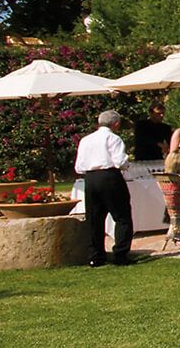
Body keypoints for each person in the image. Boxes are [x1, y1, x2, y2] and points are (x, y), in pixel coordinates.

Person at [75, 109, 133, 267]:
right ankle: (120, 254)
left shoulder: (86, 140)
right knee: (122, 216)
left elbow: (79, 166)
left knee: (95, 219)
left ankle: (96, 256)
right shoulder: (114, 138)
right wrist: (127, 163)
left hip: (91, 178)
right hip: (110, 177)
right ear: (116, 124)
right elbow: (120, 162)